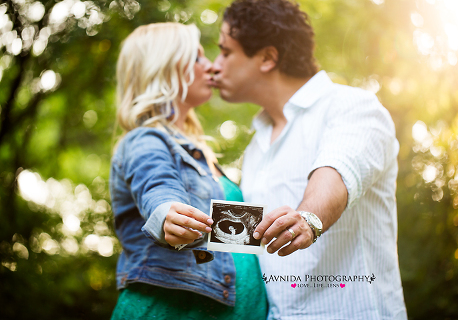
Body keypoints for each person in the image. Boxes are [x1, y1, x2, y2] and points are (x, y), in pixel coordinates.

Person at [211, 0, 408, 319]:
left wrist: (308, 217)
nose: (214, 65)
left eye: (226, 52)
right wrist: (168, 219)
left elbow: (339, 171)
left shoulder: (351, 107)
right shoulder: (255, 148)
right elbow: (246, 236)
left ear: (267, 57)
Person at [109, 22, 267, 319]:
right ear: (163, 68)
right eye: (197, 57)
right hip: (169, 311)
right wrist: (167, 212)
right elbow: (157, 186)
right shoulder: (146, 140)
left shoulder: (202, 155)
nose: (211, 66)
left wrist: (286, 224)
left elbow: (229, 235)